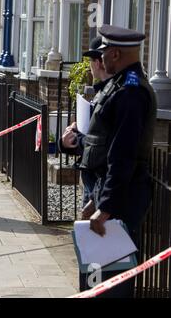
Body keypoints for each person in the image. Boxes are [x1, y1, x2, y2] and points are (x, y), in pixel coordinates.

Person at [62, 25, 157, 297]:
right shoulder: (119, 85)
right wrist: (98, 199)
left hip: (122, 202)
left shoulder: (131, 93)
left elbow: (123, 154)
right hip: (109, 193)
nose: (100, 59)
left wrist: (105, 207)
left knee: (111, 282)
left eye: (104, 53)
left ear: (115, 54)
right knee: (97, 278)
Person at [59, 36, 113, 208]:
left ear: (98, 62)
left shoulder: (113, 94)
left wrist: (76, 139)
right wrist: (67, 141)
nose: (90, 67)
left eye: (91, 61)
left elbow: (100, 143)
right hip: (93, 179)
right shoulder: (103, 91)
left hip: (100, 181)